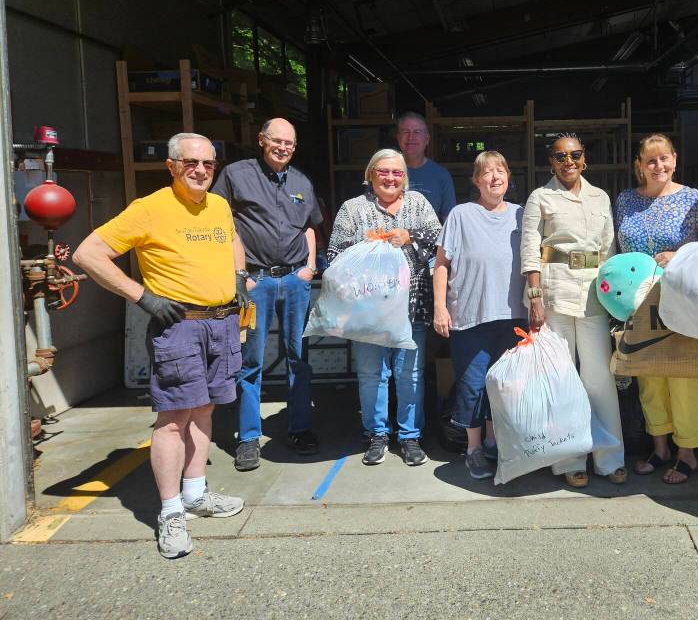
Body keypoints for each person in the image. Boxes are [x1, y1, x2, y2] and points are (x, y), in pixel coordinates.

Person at [72, 133, 246, 559]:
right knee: (173, 419)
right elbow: (88, 253)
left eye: (208, 163)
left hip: (221, 322)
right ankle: (170, 512)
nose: (201, 170)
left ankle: (195, 493)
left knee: (205, 409)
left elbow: (232, 240)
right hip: (180, 326)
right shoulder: (150, 208)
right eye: (191, 163)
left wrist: (239, 277)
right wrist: (142, 296)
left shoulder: (218, 205)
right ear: (171, 166)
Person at [211, 118, 323, 471]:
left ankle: (300, 428)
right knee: (250, 361)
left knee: (299, 357)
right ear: (261, 140)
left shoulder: (301, 181)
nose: (283, 148)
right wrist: (238, 274)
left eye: (289, 143)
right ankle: (247, 438)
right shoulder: (235, 175)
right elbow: (218, 222)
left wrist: (309, 268)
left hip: (293, 281)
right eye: (277, 141)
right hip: (254, 284)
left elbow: (308, 225)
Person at [521, 133, 626, 488]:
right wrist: (535, 296)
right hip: (554, 292)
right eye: (560, 157)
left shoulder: (600, 197)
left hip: (594, 293)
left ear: (584, 159)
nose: (568, 163)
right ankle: (568, 458)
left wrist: (616, 296)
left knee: (598, 376)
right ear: (550, 162)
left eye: (575, 155)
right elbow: (531, 249)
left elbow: (609, 249)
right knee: (562, 379)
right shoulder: (541, 197)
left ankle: (609, 457)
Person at [615, 134, 698, 484]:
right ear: (639, 165)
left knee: (682, 373)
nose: (659, 166)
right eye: (651, 161)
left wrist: (679, 255)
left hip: (682, 300)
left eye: (665, 159)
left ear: (674, 158)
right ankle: (659, 448)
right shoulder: (626, 200)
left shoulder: (693, 199)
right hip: (639, 302)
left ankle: (687, 453)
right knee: (648, 373)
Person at [327, 148, 441, 466]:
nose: (390, 178)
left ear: (405, 178)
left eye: (397, 173)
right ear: (370, 175)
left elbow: (440, 240)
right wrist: (365, 245)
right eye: (383, 172)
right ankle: (376, 435)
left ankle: (409, 437)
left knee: (410, 374)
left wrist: (410, 235)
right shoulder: (353, 209)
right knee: (371, 374)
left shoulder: (419, 204)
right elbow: (334, 253)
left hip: (411, 304)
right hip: (367, 310)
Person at [433, 151, 527, 480]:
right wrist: (440, 307)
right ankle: (472, 449)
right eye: (487, 173)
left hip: (513, 317)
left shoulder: (521, 215)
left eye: (500, 170)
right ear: (477, 181)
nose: (495, 177)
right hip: (469, 317)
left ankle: (491, 442)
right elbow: (441, 265)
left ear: (508, 177)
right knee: (472, 386)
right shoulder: (461, 215)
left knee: (502, 387)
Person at [397, 111, 456, 222]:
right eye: (406, 132)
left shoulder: (441, 175)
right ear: (398, 138)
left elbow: (448, 220)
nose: (411, 137)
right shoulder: (384, 173)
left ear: (427, 139)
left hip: (428, 238)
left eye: (417, 132)